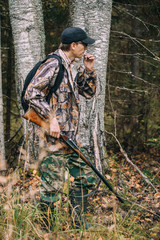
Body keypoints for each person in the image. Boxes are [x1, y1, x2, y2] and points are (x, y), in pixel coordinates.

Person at [24, 27, 97, 228]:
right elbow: (32, 94)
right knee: (52, 187)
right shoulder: (53, 63)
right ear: (73, 45)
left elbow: (88, 94)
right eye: (84, 44)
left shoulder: (70, 66)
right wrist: (51, 119)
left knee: (87, 176)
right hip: (51, 139)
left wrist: (88, 70)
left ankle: (77, 222)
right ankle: (46, 229)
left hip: (69, 138)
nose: (86, 47)